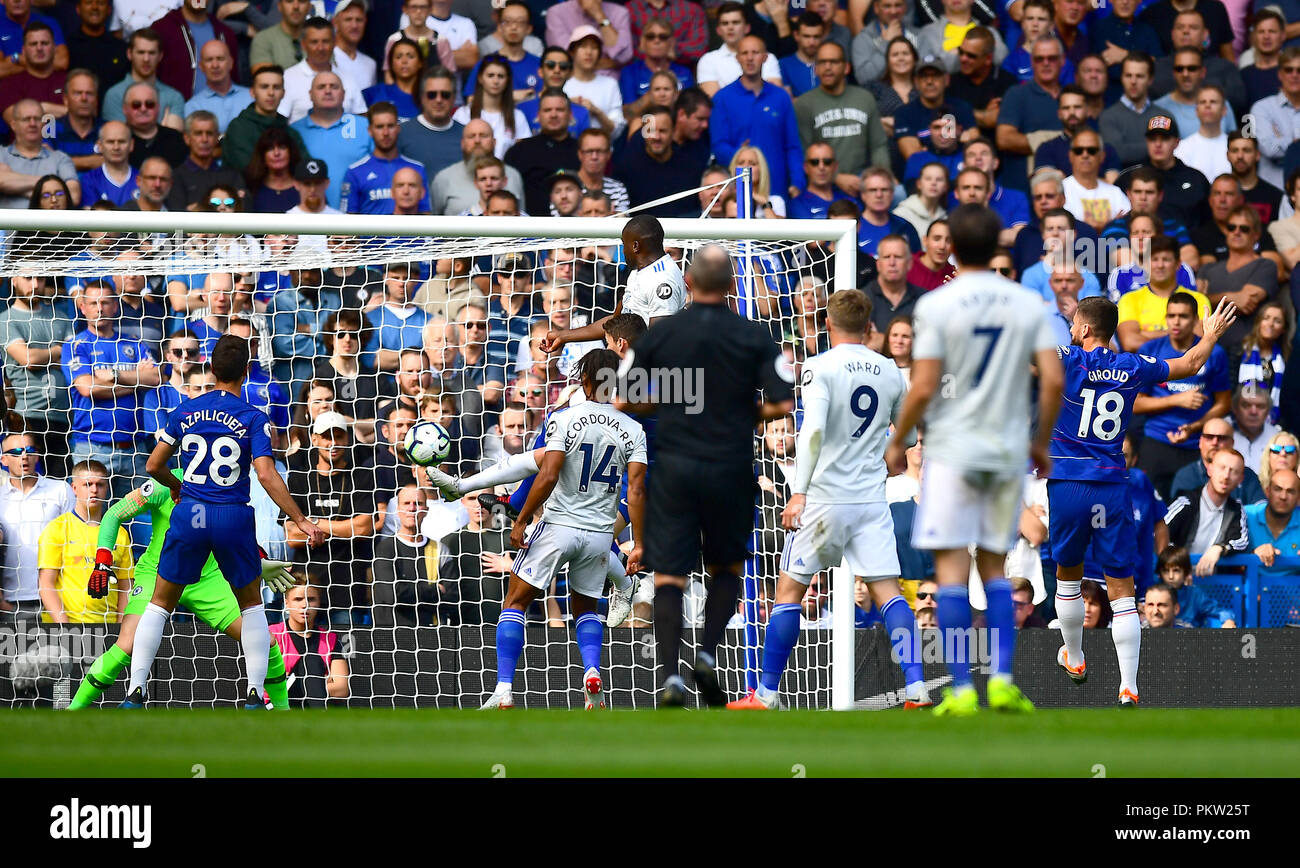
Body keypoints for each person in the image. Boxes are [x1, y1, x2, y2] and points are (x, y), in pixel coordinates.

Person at [885, 203, 1065, 716]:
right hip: (1005, 449)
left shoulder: (937, 306)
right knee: (995, 568)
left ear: (952, 250)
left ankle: (962, 689)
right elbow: (1052, 378)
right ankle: (1004, 680)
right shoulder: (1027, 302)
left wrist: (898, 439)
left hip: (950, 449)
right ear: (999, 249)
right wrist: (1041, 441)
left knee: (950, 573)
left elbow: (921, 386)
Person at [728, 289, 930, 710]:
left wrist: (797, 493)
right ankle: (916, 689)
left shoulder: (818, 368)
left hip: (823, 499)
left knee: (788, 592)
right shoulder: (891, 371)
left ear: (827, 324)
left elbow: (814, 430)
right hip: (870, 500)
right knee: (889, 593)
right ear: (870, 326)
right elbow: (909, 436)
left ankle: (766, 694)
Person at [615, 244, 795, 707]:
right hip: (730, 466)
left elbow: (622, 399)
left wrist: (677, 402)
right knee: (727, 567)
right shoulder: (754, 335)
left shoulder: (663, 333)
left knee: (671, 575)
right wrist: (740, 412)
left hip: (674, 466)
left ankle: (671, 676)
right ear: (733, 284)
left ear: (689, 283)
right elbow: (781, 403)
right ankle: (710, 652)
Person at [1048, 295, 1235, 708]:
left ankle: (1075, 657)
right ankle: (1128, 686)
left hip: (1068, 482)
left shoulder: (1067, 358)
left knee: (1068, 576)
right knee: (1122, 590)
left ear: (1083, 329)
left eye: (1074, 324)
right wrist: (1211, 336)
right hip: (1113, 485)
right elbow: (1189, 365)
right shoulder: (1133, 365)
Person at [119, 336, 323, 708]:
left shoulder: (185, 410)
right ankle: (252, 693)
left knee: (159, 604)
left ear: (211, 369)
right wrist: (301, 519)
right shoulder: (253, 418)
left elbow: (152, 465)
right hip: (231, 515)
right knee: (252, 607)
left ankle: (135, 691)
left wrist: (177, 486)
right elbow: (266, 475)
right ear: (247, 370)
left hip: (191, 514)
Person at [479, 349, 646, 710]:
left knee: (516, 602)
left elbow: (548, 473)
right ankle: (590, 674)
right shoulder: (634, 429)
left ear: (583, 381)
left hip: (557, 527)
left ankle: (504, 689)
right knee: (585, 607)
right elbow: (635, 491)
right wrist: (639, 544)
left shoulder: (564, 418)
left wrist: (521, 518)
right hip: (600, 536)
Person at [73, 462, 295, 709]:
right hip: (157, 575)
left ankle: (283, 714)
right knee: (127, 644)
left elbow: (236, 535)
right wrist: (103, 560)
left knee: (266, 640)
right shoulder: (162, 485)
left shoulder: (227, 489)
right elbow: (115, 514)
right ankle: (73, 712)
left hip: (207, 578)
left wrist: (259, 562)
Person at [61, 280, 163, 500]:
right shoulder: (76, 345)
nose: (99, 309)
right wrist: (136, 381)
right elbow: (88, 388)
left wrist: (115, 376)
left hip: (134, 448)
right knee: (93, 520)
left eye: (105, 303)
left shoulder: (134, 343)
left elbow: (155, 377)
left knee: (139, 521)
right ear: (82, 307)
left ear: (115, 306)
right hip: (92, 447)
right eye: (93, 303)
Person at [540, 214, 686, 359]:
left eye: (623, 244)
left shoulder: (662, 279)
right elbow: (616, 321)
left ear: (635, 246)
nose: (623, 251)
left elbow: (660, 341)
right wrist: (564, 336)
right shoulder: (639, 272)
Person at [711, 35, 804, 202]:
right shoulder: (722, 98)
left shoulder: (781, 97)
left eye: (755, 52)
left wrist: (797, 181)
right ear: (737, 58)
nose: (750, 58)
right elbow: (718, 146)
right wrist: (743, 157)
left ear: (765, 57)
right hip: (738, 188)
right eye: (744, 53)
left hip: (776, 186)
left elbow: (792, 145)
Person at [37, 459, 130, 625]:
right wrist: (64, 628)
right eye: (87, 484)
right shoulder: (57, 528)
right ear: (74, 488)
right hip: (65, 627)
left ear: (107, 488)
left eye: (100, 485)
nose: (94, 490)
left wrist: (121, 628)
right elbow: (46, 584)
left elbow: (126, 586)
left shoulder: (120, 533)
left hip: (108, 627)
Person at [0, 275, 74, 477]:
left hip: (62, 416)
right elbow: (28, 358)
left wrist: (43, 355)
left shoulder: (60, 316)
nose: (35, 284)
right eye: (28, 278)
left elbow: (75, 359)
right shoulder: (6, 319)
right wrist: (59, 349)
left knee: (59, 485)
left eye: (40, 278)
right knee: (27, 483)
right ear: (14, 280)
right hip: (26, 416)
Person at [0, 433, 75, 623]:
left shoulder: (60, 490)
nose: (24, 456)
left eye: (29, 451)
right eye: (16, 452)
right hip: (11, 602)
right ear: (4, 459)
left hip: (58, 598)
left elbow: (76, 539)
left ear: (38, 456)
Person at [794, 40, 889, 184]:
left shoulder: (864, 98)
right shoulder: (803, 104)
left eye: (834, 62)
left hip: (862, 178)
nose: (827, 67)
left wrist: (882, 176)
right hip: (822, 181)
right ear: (815, 69)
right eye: (822, 62)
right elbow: (803, 152)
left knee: (898, 193)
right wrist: (836, 178)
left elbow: (878, 145)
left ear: (846, 67)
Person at [1156, 448, 1251, 576]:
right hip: (1176, 582)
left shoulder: (1236, 509)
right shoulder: (1185, 502)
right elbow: (1160, 532)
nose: (1226, 476)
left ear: (1241, 479)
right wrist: (1178, 562)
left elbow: (1241, 541)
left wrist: (1219, 548)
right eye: (1222, 468)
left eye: (1234, 471)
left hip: (1213, 586)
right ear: (1209, 469)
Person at [290, 71, 371, 209]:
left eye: (334, 87)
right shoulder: (294, 131)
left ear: (344, 93)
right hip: (307, 221)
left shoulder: (366, 127)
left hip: (358, 218)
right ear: (310, 94)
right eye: (321, 87)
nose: (328, 91)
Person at [341, 102, 430, 215]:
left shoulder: (417, 169)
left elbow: (425, 216)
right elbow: (347, 223)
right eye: (379, 127)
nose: (385, 133)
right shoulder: (355, 172)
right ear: (370, 130)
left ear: (398, 128)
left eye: (390, 126)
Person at [271, 582, 350, 706]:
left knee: (311, 660)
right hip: (278, 707)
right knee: (311, 661)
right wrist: (319, 680)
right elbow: (267, 685)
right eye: (298, 599)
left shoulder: (330, 640)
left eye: (311, 599)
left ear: (319, 603)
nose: (305, 605)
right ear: (286, 603)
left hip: (319, 707)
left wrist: (294, 680)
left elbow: (341, 689)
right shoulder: (272, 635)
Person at [222, 65, 308, 174]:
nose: (271, 93)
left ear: (283, 93)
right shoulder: (238, 128)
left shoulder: (290, 132)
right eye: (264, 87)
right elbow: (245, 169)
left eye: (276, 87)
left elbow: (305, 170)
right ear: (253, 92)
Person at [697, 2, 783, 96]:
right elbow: (714, 101)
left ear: (747, 27)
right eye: (725, 23)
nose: (730, 27)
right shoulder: (708, 60)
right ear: (718, 30)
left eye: (736, 22)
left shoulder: (768, 58)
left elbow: (774, 96)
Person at [1099, 52, 1162, 169]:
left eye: (1139, 76)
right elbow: (1118, 153)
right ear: (1121, 78)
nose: (1133, 81)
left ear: (1150, 80)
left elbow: (1173, 152)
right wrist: (1158, 148)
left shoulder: (1162, 116)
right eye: (1128, 75)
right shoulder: (1108, 117)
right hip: (1123, 182)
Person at [184, 40, 252, 133]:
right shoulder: (193, 107)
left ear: (231, 63)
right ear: (201, 66)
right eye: (209, 60)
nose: (215, 65)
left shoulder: (252, 97)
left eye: (220, 59)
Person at [1238, 301, 1288, 424]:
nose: (1270, 324)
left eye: (1277, 321)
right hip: (1240, 420)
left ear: (1283, 329)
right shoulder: (1239, 352)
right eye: (1266, 318)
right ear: (1258, 322)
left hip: (1274, 423)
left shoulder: (1286, 359)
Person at [1247, 470, 1300, 580]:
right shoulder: (1247, 515)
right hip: (1249, 590)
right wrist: (1251, 554)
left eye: (1290, 491)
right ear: (1267, 492)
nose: (1283, 496)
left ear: (1298, 497)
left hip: (1293, 593)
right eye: (1278, 489)